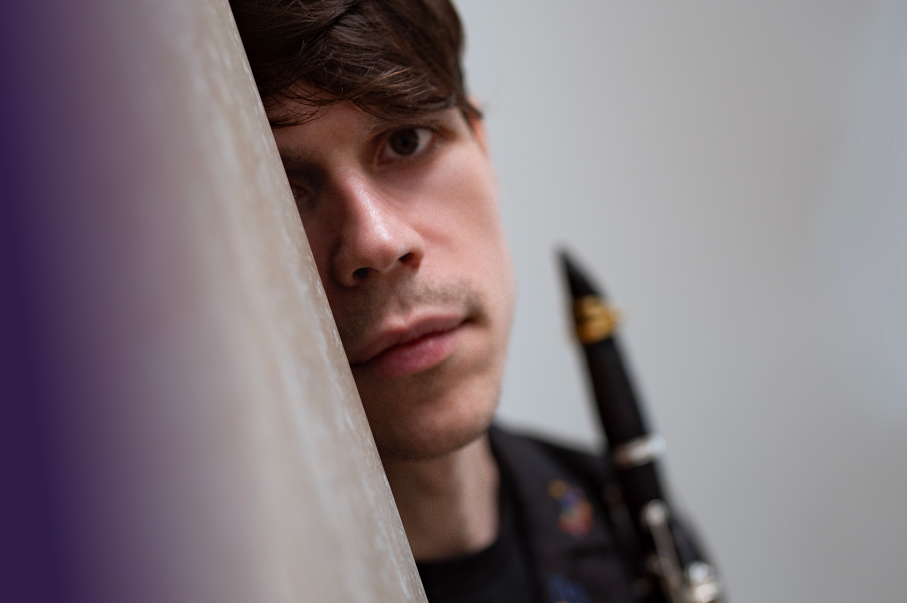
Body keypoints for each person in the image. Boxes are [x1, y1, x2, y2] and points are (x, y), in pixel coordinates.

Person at [229, 1, 711, 602]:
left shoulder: (618, 527)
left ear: (482, 145)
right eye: (280, 192)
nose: (377, 242)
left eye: (406, 141)